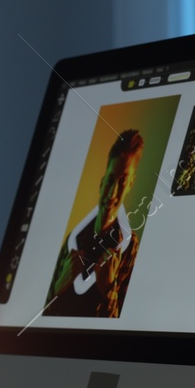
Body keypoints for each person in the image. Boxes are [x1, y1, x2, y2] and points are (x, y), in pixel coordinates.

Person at [45, 129, 146, 318]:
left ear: (131, 184)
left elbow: (119, 329)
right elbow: (44, 311)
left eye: (123, 181)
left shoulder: (129, 246)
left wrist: (108, 288)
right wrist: (59, 286)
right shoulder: (74, 239)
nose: (113, 192)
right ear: (101, 183)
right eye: (110, 180)